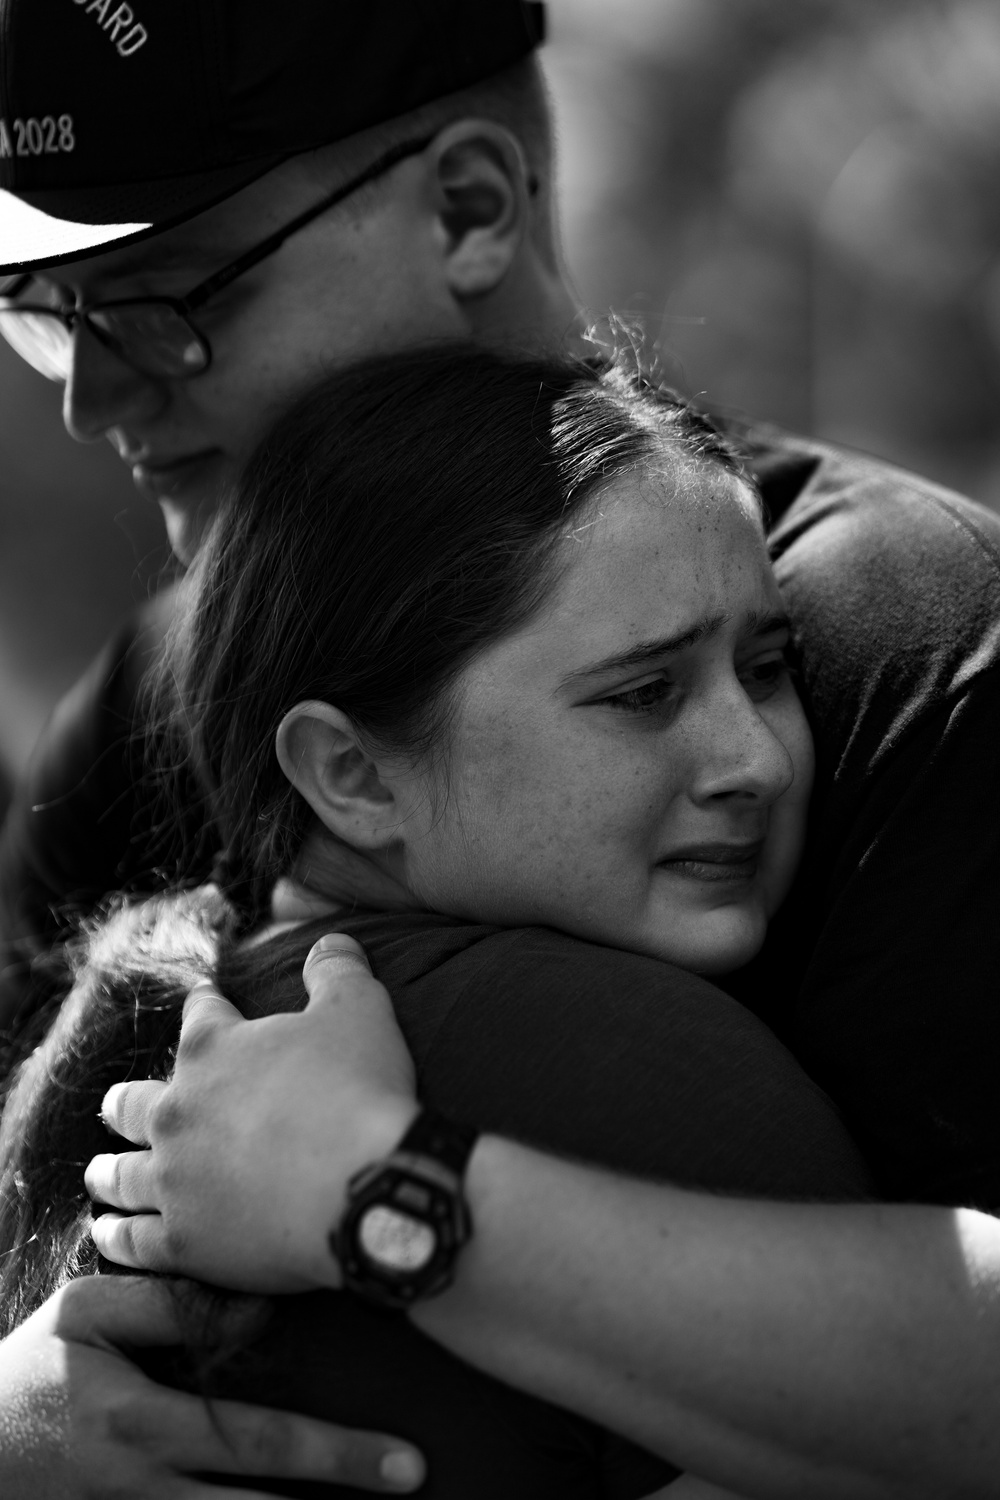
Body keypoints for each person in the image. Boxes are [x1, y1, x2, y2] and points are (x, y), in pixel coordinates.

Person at [0, 0, 998, 1495]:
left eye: (164, 300)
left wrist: (380, 1197)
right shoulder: (151, 687)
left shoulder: (900, 638)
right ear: (337, 766)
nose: (93, 398)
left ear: (470, 206)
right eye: (48, 313)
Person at [1, 344, 875, 1500]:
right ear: (352, 773)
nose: (756, 758)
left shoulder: (113, 1021)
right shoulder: (643, 1076)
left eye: (767, 668)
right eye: (643, 692)